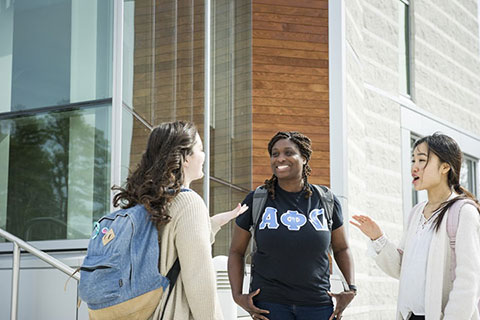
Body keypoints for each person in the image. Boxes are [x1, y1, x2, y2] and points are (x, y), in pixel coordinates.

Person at [112, 120, 246, 320]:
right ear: (185, 158)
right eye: (200, 149)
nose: (204, 155)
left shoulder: (144, 200)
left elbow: (167, 245)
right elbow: (199, 281)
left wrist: (211, 224)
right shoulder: (188, 202)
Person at [228, 131, 356, 320]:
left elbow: (342, 248)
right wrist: (238, 296)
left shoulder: (326, 200)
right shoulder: (257, 199)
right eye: (275, 153)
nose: (280, 158)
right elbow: (236, 252)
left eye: (289, 153)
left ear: (304, 158)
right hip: (269, 306)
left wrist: (351, 289)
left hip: (317, 306)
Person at [351, 133, 480, 320]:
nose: (414, 167)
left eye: (422, 160)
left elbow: (468, 282)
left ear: (445, 166)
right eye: (413, 160)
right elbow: (401, 269)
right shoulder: (416, 213)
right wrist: (378, 238)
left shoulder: (463, 212)